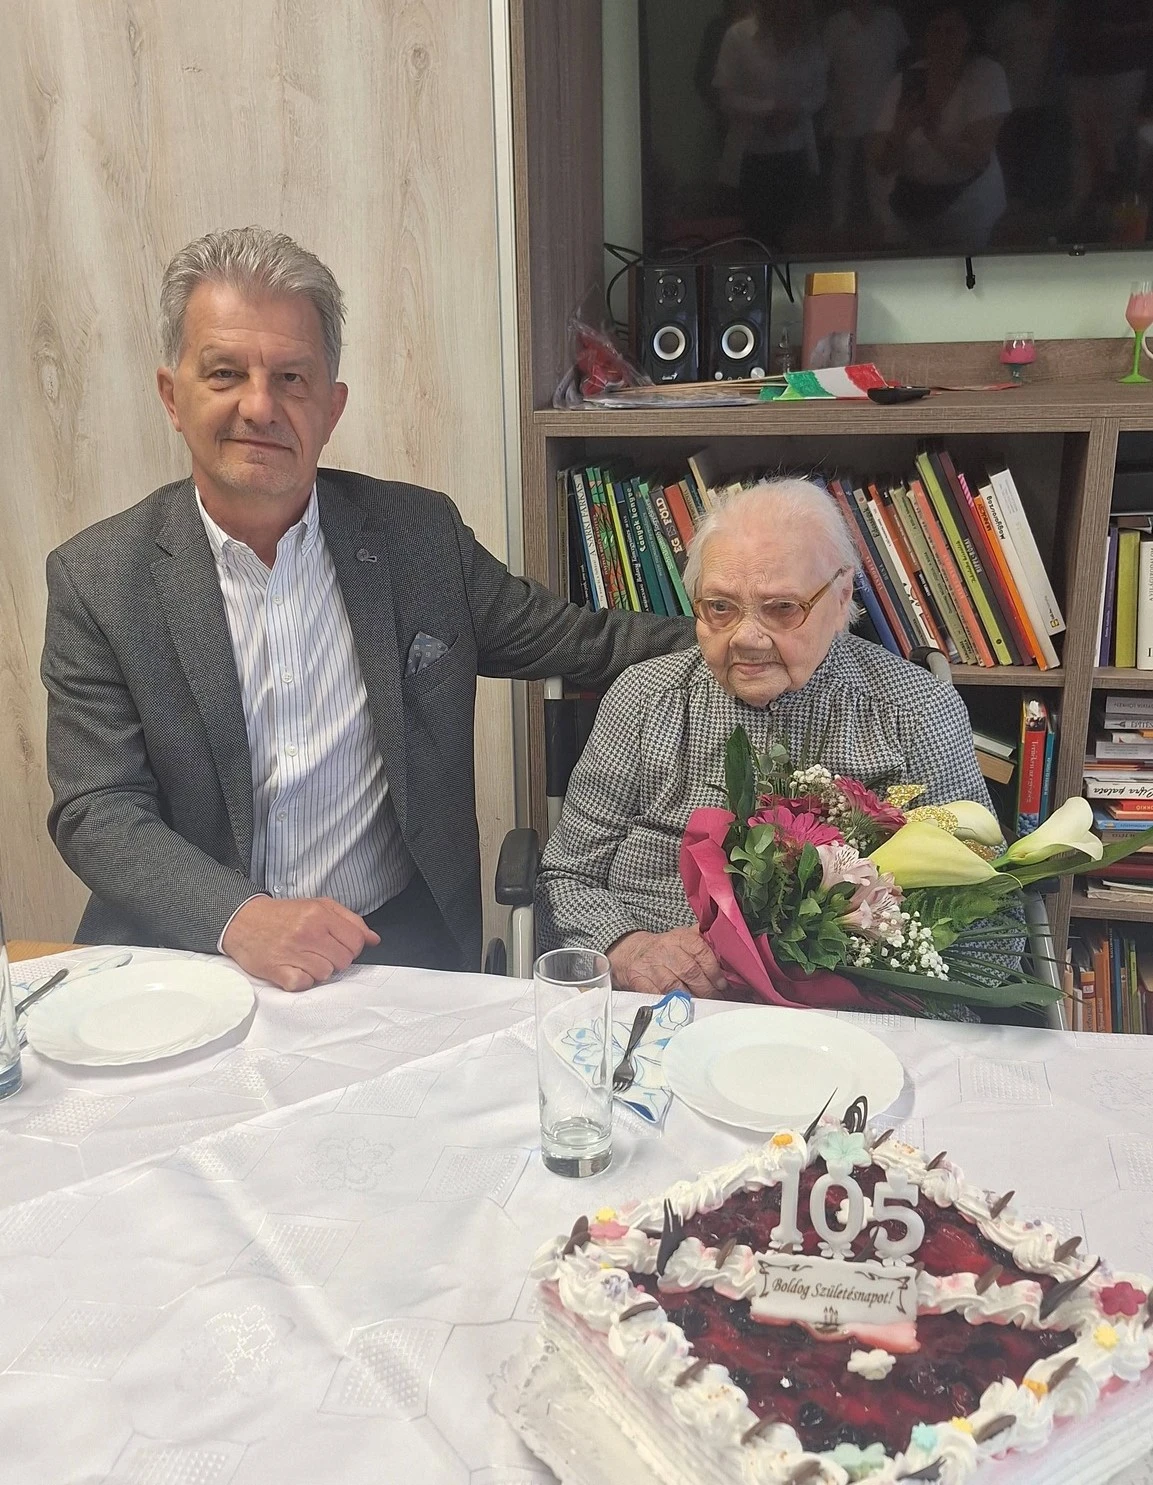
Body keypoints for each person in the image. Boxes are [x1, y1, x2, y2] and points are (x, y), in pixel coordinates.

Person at [42, 227, 693, 992]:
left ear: (332, 406)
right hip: (189, 955)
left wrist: (745, 630)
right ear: (171, 396)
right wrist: (239, 917)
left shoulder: (420, 538)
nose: (260, 406)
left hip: (389, 947)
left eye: (291, 378)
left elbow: (583, 641)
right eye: (224, 373)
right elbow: (98, 807)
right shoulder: (99, 580)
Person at [535, 478, 995, 999]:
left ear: (841, 596)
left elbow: (987, 920)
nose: (747, 639)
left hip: (843, 1018)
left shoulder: (915, 713)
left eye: (781, 608)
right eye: (720, 608)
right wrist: (627, 949)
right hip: (655, 1003)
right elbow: (563, 879)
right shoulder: (642, 699)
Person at [870, 3, 1011, 251]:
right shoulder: (904, 82)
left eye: (952, 31)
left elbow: (977, 158)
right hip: (911, 205)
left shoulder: (986, 75)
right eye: (935, 30)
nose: (943, 39)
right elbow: (882, 164)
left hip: (968, 208)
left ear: (969, 34)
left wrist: (933, 135)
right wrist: (902, 129)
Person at [712, 0, 829, 251]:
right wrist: (770, 109)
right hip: (751, 155)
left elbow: (820, 92)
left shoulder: (810, 38)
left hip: (797, 151)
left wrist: (795, 111)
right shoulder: (739, 36)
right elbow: (726, 97)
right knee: (756, 238)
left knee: (792, 238)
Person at [821, 0, 909, 231]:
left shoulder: (890, 19)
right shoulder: (836, 25)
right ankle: (838, 219)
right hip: (845, 108)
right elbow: (824, 68)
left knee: (879, 168)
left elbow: (902, 59)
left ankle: (883, 219)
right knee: (841, 168)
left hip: (883, 108)